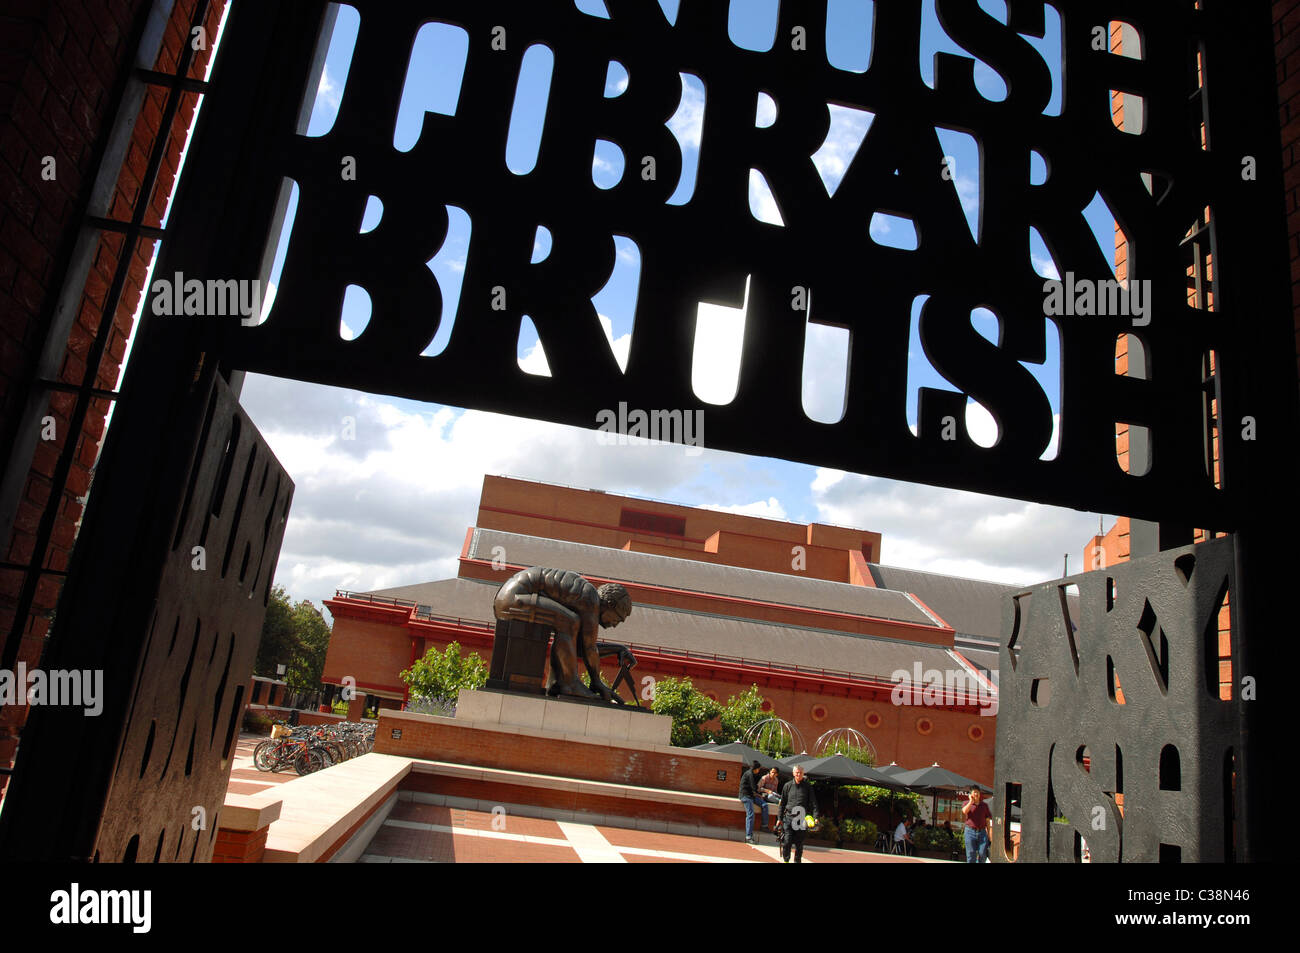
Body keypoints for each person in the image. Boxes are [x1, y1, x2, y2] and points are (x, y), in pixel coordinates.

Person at [493, 567, 632, 700]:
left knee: (567, 624)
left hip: (509, 598)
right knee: (569, 622)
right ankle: (569, 685)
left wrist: (618, 649)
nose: (614, 625)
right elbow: (589, 648)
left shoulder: (586, 598)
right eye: (617, 619)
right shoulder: (591, 600)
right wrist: (597, 682)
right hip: (513, 599)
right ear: (610, 604)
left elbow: (574, 649)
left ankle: (556, 684)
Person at [778, 764, 819, 863]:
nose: (798, 774)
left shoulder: (808, 787)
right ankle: (786, 861)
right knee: (787, 841)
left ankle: (797, 861)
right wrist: (779, 819)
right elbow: (782, 803)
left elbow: (813, 802)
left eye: (800, 773)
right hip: (788, 817)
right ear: (793, 773)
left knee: (799, 844)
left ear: (803, 774)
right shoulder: (787, 786)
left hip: (801, 819)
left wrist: (815, 817)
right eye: (797, 772)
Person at [739, 760, 769, 844]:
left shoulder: (753, 774)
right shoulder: (749, 774)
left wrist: (757, 794)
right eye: (759, 769)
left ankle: (764, 826)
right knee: (751, 814)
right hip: (745, 796)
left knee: (764, 805)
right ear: (756, 769)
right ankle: (748, 836)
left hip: (751, 795)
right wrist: (760, 794)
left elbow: (754, 788)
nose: (759, 771)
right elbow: (754, 788)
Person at [962, 787, 993, 863]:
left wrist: (989, 834)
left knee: (983, 854)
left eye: (977, 792)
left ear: (979, 794)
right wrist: (971, 802)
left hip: (982, 832)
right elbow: (964, 811)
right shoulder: (966, 803)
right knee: (971, 854)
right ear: (970, 794)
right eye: (974, 792)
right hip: (970, 832)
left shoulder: (984, 805)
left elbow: (987, 820)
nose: (976, 794)